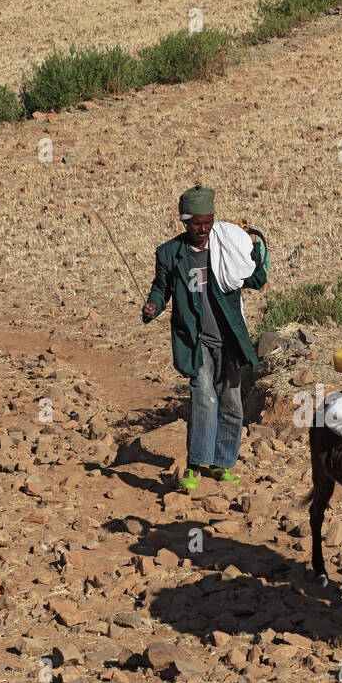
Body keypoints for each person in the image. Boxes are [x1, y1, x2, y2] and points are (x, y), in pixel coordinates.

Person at [142, 185, 269, 491]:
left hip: (228, 340)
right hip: (196, 341)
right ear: (185, 221)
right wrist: (152, 307)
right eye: (196, 223)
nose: (203, 229)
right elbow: (161, 289)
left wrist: (256, 244)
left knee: (231, 402)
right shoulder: (170, 254)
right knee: (204, 399)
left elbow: (257, 277)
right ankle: (195, 466)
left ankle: (222, 464)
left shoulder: (228, 249)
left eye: (208, 223)